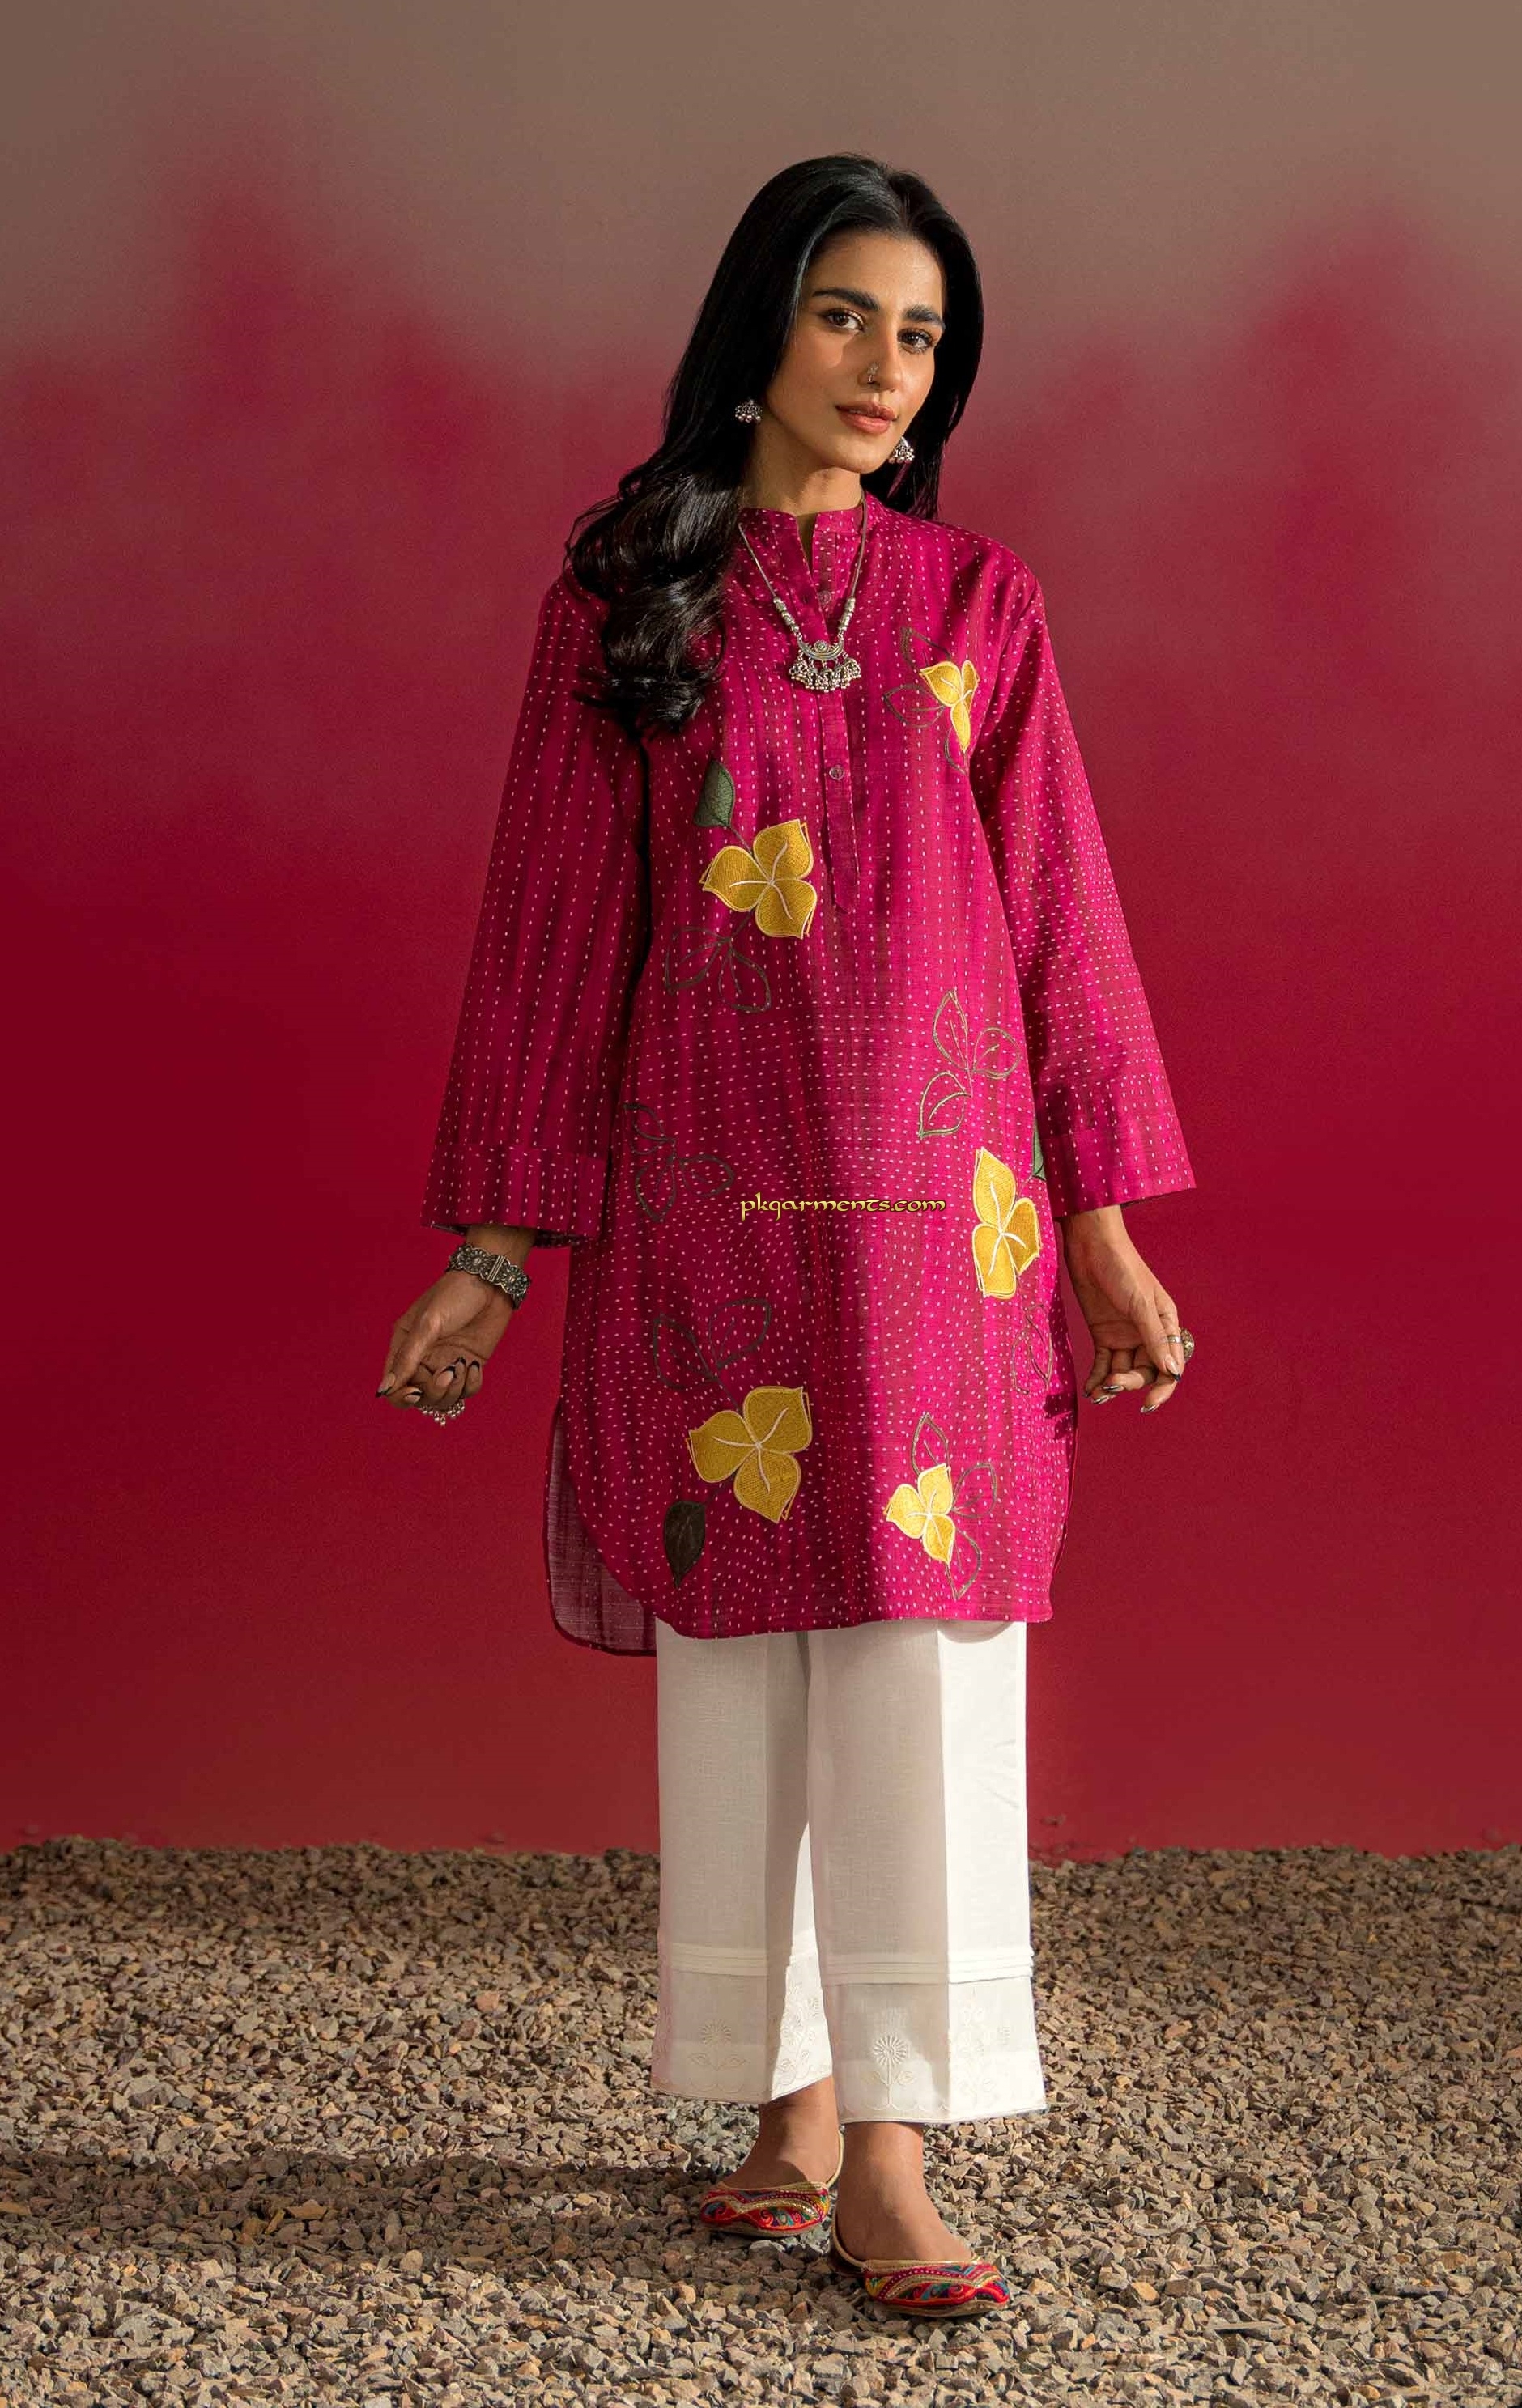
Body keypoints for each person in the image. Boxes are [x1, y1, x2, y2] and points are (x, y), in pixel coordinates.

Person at [377, 153, 1196, 2322]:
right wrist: (493, 1253)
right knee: (744, 1658)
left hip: (948, 1233)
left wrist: (1104, 1226)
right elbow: (556, 937)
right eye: (847, 315)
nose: (883, 366)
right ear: (760, 327)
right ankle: (786, 2103)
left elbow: (1057, 916)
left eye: (921, 333)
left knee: (918, 1660)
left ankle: (893, 2154)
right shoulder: (628, 602)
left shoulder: (978, 603)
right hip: (708, 1213)